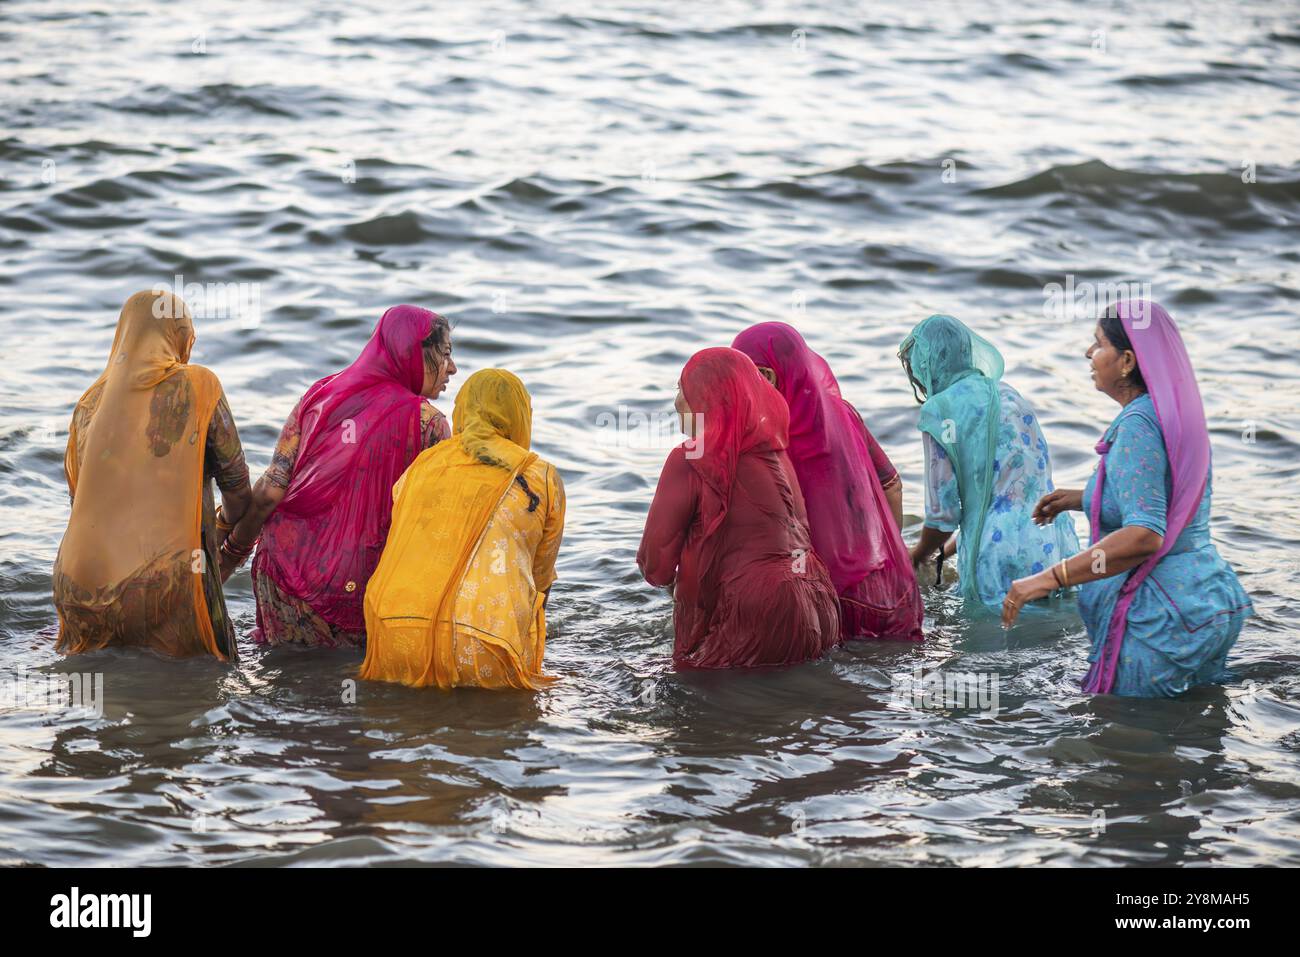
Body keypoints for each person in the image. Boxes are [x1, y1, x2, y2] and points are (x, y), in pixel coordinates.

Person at [1005, 301, 1253, 697]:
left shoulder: (1137, 424)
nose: (1089, 354)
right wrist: (1084, 498)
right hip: (1209, 601)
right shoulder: (1171, 414)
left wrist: (1049, 578)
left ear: (1126, 361)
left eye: (1098, 344)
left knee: (1130, 742)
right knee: (1195, 739)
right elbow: (1167, 499)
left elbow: (1145, 535)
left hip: (1160, 616)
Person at [222, 305, 455, 648]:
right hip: (353, 589)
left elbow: (271, 491)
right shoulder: (430, 424)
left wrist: (227, 556)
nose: (452, 367)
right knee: (342, 689)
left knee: (288, 682)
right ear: (414, 352)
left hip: (282, 575)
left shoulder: (320, 395)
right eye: (445, 353)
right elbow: (434, 529)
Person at [52, 289, 251, 659]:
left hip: (77, 583)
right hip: (160, 584)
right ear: (179, 339)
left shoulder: (88, 404)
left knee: (99, 700)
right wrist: (225, 535)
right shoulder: (200, 386)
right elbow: (238, 492)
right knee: (202, 683)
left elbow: (79, 502)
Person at [637, 347, 841, 669]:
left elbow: (655, 565)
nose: (676, 402)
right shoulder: (778, 454)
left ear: (706, 398)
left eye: (682, 390)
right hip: (818, 604)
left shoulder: (690, 457)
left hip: (752, 611)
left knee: (707, 708)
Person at [361, 369, 565, 690]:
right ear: (520, 416)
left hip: (393, 633)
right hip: (486, 644)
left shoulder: (423, 465)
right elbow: (540, 583)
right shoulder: (540, 476)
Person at [732, 322, 922, 640]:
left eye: (739, 376)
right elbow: (892, 486)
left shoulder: (765, 437)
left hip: (826, 603)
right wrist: (884, 557)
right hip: (891, 592)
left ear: (767, 376)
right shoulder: (844, 413)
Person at [898, 314, 1079, 607]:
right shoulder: (1009, 394)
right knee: (1041, 639)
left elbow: (943, 515)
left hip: (996, 556)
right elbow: (1006, 495)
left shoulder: (940, 409)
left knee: (989, 643)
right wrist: (946, 551)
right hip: (1051, 542)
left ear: (925, 364)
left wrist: (918, 555)